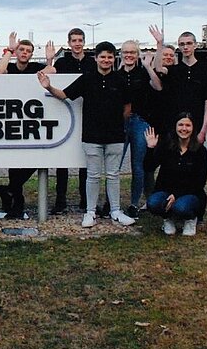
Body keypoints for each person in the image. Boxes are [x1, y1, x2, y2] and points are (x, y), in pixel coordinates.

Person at [38, 41, 136, 228]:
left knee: (113, 175)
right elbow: (64, 95)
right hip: (91, 136)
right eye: (102, 56)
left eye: (109, 57)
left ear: (114, 59)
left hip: (115, 136)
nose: (106, 60)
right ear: (96, 58)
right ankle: (90, 212)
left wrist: (115, 122)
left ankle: (115, 211)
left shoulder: (121, 80)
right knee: (93, 175)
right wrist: (48, 87)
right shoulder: (87, 78)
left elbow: (127, 107)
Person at [0, 33, 56, 218]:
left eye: (28, 51)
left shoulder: (35, 68)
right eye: (21, 50)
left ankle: (9, 190)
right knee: (14, 163)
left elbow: (52, 71)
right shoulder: (10, 66)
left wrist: (49, 60)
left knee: (37, 160)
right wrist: (10, 50)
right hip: (12, 119)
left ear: (31, 54)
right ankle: (17, 203)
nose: (24, 53)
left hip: (31, 120)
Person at [51, 28, 95, 214]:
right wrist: (48, 61)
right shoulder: (62, 62)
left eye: (80, 40)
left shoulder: (92, 62)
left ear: (84, 42)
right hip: (65, 114)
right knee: (62, 161)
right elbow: (49, 74)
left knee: (85, 159)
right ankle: (60, 200)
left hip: (88, 114)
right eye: (74, 40)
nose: (77, 43)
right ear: (69, 43)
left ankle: (85, 199)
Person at [118, 42, 162, 218]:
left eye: (132, 52)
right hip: (120, 123)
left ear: (137, 55)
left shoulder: (143, 73)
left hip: (140, 122)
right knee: (115, 166)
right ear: (121, 54)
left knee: (138, 166)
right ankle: (111, 203)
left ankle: (134, 204)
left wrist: (148, 66)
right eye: (125, 52)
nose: (128, 55)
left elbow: (158, 86)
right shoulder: (116, 75)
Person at [144, 114, 207, 236]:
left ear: (193, 128)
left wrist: (176, 195)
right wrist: (150, 148)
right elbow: (149, 167)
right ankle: (168, 218)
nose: (184, 128)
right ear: (175, 127)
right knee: (152, 203)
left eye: (188, 125)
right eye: (180, 125)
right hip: (166, 191)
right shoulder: (166, 146)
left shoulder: (200, 150)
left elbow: (200, 182)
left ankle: (190, 219)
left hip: (191, 193)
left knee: (181, 207)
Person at [154, 29, 207, 142]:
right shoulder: (173, 70)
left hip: (196, 125)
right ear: (179, 47)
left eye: (189, 43)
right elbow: (158, 68)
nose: (185, 47)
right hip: (174, 125)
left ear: (195, 45)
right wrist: (159, 44)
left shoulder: (204, 71)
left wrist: (203, 130)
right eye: (182, 44)